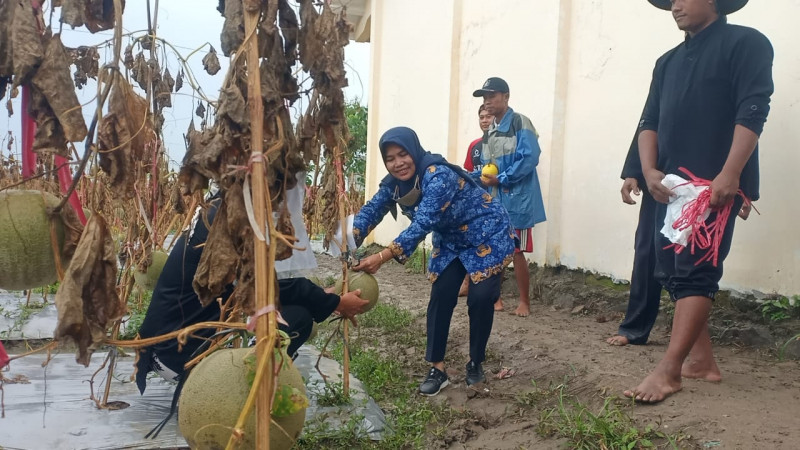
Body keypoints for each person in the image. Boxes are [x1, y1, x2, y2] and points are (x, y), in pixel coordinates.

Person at [625, 0, 773, 403]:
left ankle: (669, 370)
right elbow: (649, 119)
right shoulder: (667, 62)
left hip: (710, 184)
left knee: (695, 270)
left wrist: (732, 173)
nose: (675, 6)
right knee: (669, 270)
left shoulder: (746, 43)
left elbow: (753, 109)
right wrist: (649, 170)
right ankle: (702, 361)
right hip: (669, 184)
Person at [134, 193, 369, 396]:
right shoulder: (231, 219)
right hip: (182, 356)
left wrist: (321, 295)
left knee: (286, 311)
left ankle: (233, 380)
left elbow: (260, 282)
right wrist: (335, 302)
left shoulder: (218, 208)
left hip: (167, 348)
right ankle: (243, 388)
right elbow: (261, 286)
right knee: (297, 319)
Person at [350, 126, 515, 396]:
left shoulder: (438, 175)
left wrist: (381, 257)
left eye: (403, 154)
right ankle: (437, 368)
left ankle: (475, 363)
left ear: (414, 151)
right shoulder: (394, 184)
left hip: (486, 231)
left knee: (481, 297)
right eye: (390, 158)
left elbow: (424, 222)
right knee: (441, 294)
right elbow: (373, 209)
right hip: (451, 239)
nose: (398, 163)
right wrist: (349, 239)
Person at [472, 77, 546, 316]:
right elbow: (486, 165)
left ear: (506, 96)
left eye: (492, 96)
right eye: (485, 97)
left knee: (516, 251)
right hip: (495, 201)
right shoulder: (490, 131)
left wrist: (502, 178)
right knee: (495, 249)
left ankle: (524, 302)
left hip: (518, 200)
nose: (488, 101)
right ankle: (497, 299)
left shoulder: (519, 122)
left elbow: (529, 158)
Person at [459, 104, 495, 297]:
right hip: (477, 202)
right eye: (481, 117)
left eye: (488, 116)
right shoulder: (474, 146)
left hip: (497, 201)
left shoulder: (502, 145)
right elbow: (467, 173)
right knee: (471, 240)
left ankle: (494, 292)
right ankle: (467, 282)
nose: (484, 120)